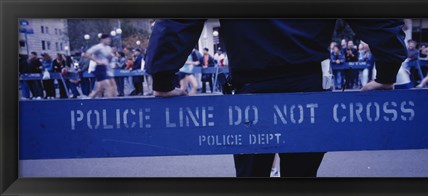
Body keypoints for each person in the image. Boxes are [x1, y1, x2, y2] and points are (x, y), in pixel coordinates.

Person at [145, 19, 407, 177]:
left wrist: (162, 77)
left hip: (250, 89)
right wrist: (387, 72)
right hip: (308, 85)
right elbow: (376, 16)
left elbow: (177, 19)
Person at [84, 33, 117, 98]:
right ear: (102, 40)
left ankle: (89, 100)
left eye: (109, 39)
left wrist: (112, 57)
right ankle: (111, 104)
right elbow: (86, 54)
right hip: (100, 68)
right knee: (108, 87)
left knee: (107, 88)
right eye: (107, 39)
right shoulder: (98, 47)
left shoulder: (108, 48)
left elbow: (109, 59)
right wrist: (96, 61)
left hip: (107, 69)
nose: (109, 41)